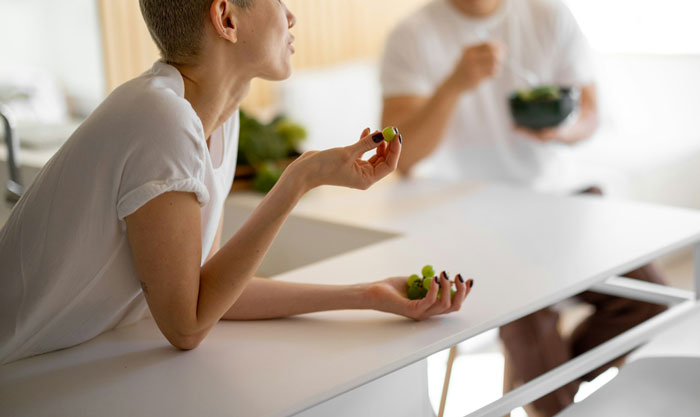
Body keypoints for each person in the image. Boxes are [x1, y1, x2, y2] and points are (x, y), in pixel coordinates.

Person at [0, 0, 474, 365]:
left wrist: (367, 295)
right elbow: (187, 327)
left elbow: (207, 289)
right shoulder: (160, 120)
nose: (292, 16)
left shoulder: (217, 121)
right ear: (227, 17)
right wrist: (299, 179)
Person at [380, 0, 665, 415]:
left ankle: (550, 378)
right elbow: (402, 160)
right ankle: (549, 392)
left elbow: (589, 112)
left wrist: (561, 130)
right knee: (531, 322)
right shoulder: (412, 34)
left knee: (655, 303)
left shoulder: (549, 14)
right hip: (473, 218)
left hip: (565, 201)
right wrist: (455, 84)